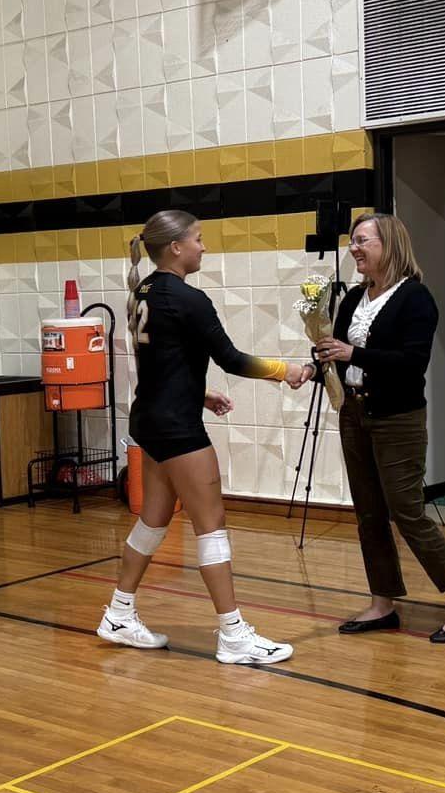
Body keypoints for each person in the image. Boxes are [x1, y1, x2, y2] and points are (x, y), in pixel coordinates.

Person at [99, 209, 312, 664]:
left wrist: (200, 394)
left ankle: (119, 612)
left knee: (154, 519)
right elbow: (233, 359)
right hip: (177, 430)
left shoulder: (142, 292)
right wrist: (288, 370)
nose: (204, 246)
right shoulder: (189, 300)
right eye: (198, 239)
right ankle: (233, 634)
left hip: (151, 421)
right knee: (210, 526)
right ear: (176, 247)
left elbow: (162, 366)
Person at [315, 213, 445, 643]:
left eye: (363, 241)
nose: (354, 248)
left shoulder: (415, 299)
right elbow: (339, 355)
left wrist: (355, 354)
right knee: (368, 513)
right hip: (353, 414)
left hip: (397, 420)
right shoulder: (353, 299)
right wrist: (315, 366)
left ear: (389, 245)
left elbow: (411, 364)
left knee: (407, 513)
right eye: (352, 241)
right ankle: (382, 602)